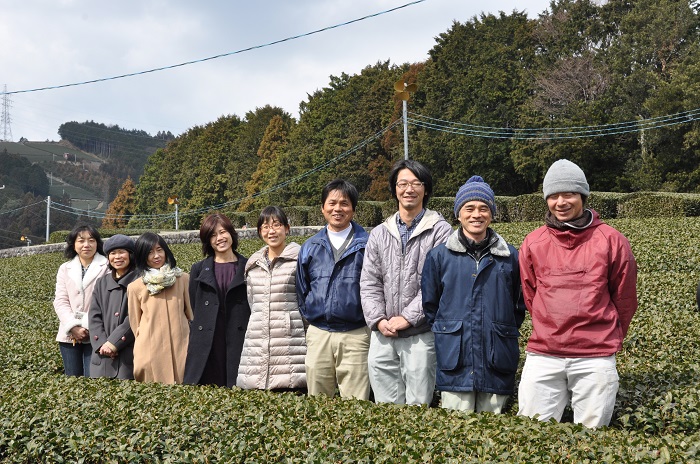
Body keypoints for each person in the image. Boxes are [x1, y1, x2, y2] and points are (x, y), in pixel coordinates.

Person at [517, 159, 638, 428]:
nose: (561, 202)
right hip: (544, 354)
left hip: (595, 357)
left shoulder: (611, 240)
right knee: (531, 434)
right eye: (554, 195)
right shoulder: (533, 242)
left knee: (591, 440)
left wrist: (609, 336)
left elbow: (625, 297)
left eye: (569, 194)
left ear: (582, 196)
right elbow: (530, 294)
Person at [422, 176, 525, 413]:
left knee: (493, 434)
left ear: (491, 214)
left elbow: (519, 305)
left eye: (483, 208)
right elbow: (431, 306)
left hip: (496, 357)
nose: (476, 214)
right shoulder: (439, 256)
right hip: (455, 358)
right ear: (458, 214)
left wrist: (500, 328)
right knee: (457, 433)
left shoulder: (509, 256)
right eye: (469, 208)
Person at [360, 160, 451, 405]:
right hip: (383, 334)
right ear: (394, 189)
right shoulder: (379, 232)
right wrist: (378, 320)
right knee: (385, 407)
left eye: (415, 183)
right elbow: (369, 281)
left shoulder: (441, 231)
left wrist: (408, 318)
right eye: (403, 184)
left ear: (426, 189)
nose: (409, 189)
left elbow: (438, 284)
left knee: (418, 407)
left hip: (420, 334)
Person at [296, 179, 370, 399]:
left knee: (356, 404)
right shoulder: (310, 247)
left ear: (354, 209)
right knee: (318, 402)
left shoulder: (367, 244)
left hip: (356, 334)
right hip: (319, 333)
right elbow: (302, 289)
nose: (338, 208)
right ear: (323, 208)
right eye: (332, 203)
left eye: (344, 203)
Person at [237, 206, 306, 391]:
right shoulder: (253, 266)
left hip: (291, 343)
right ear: (260, 232)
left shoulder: (300, 261)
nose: (271, 231)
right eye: (266, 227)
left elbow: (306, 304)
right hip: (257, 342)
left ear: (287, 228)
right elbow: (253, 304)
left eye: (276, 225)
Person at [184, 214, 250, 387]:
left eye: (223, 232)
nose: (219, 238)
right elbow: (194, 306)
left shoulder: (248, 266)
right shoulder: (198, 269)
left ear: (231, 233)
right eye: (213, 235)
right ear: (207, 241)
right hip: (209, 340)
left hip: (240, 339)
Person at [127, 232, 192, 384]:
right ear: (142, 256)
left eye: (159, 250)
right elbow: (135, 324)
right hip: (150, 349)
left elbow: (191, 314)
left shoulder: (183, 279)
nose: (156, 256)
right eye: (150, 252)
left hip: (181, 346)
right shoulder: (135, 287)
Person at [53, 224, 109, 377]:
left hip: (96, 333)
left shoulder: (107, 266)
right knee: (72, 379)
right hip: (69, 336)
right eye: (81, 241)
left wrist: (88, 326)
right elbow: (60, 301)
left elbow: (109, 302)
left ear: (97, 243)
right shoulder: (65, 268)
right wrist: (73, 327)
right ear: (73, 244)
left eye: (91, 240)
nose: (86, 245)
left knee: (93, 378)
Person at [88, 234, 138, 380]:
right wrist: (103, 344)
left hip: (128, 354)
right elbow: (94, 316)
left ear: (130, 255)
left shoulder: (140, 280)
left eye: (122, 252)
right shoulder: (101, 283)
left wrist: (114, 343)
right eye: (112, 253)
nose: (117, 257)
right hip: (102, 355)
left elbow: (135, 316)